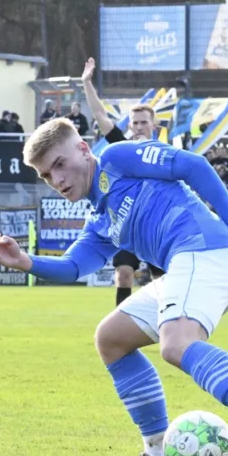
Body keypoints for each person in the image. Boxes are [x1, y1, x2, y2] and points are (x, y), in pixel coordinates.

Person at [0, 118, 228, 456]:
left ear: (83, 149)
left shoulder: (117, 158)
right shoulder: (100, 219)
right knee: (111, 337)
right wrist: (26, 262)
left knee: (176, 344)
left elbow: (193, 165)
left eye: (60, 164)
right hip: (189, 265)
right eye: (47, 176)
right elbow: (72, 267)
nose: (57, 180)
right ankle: (157, 453)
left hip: (206, 251)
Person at [81, 56, 162, 306]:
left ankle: (165, 323)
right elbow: (99, 113)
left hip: (155, 224)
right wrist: (86, 82)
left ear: (153, 125)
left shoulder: (163, 152)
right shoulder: (121, 146)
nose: (138, 127)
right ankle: (121, 325)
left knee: (161, 280)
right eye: (134, 122)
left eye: (143, 123)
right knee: (124, 274)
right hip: (127, 224)